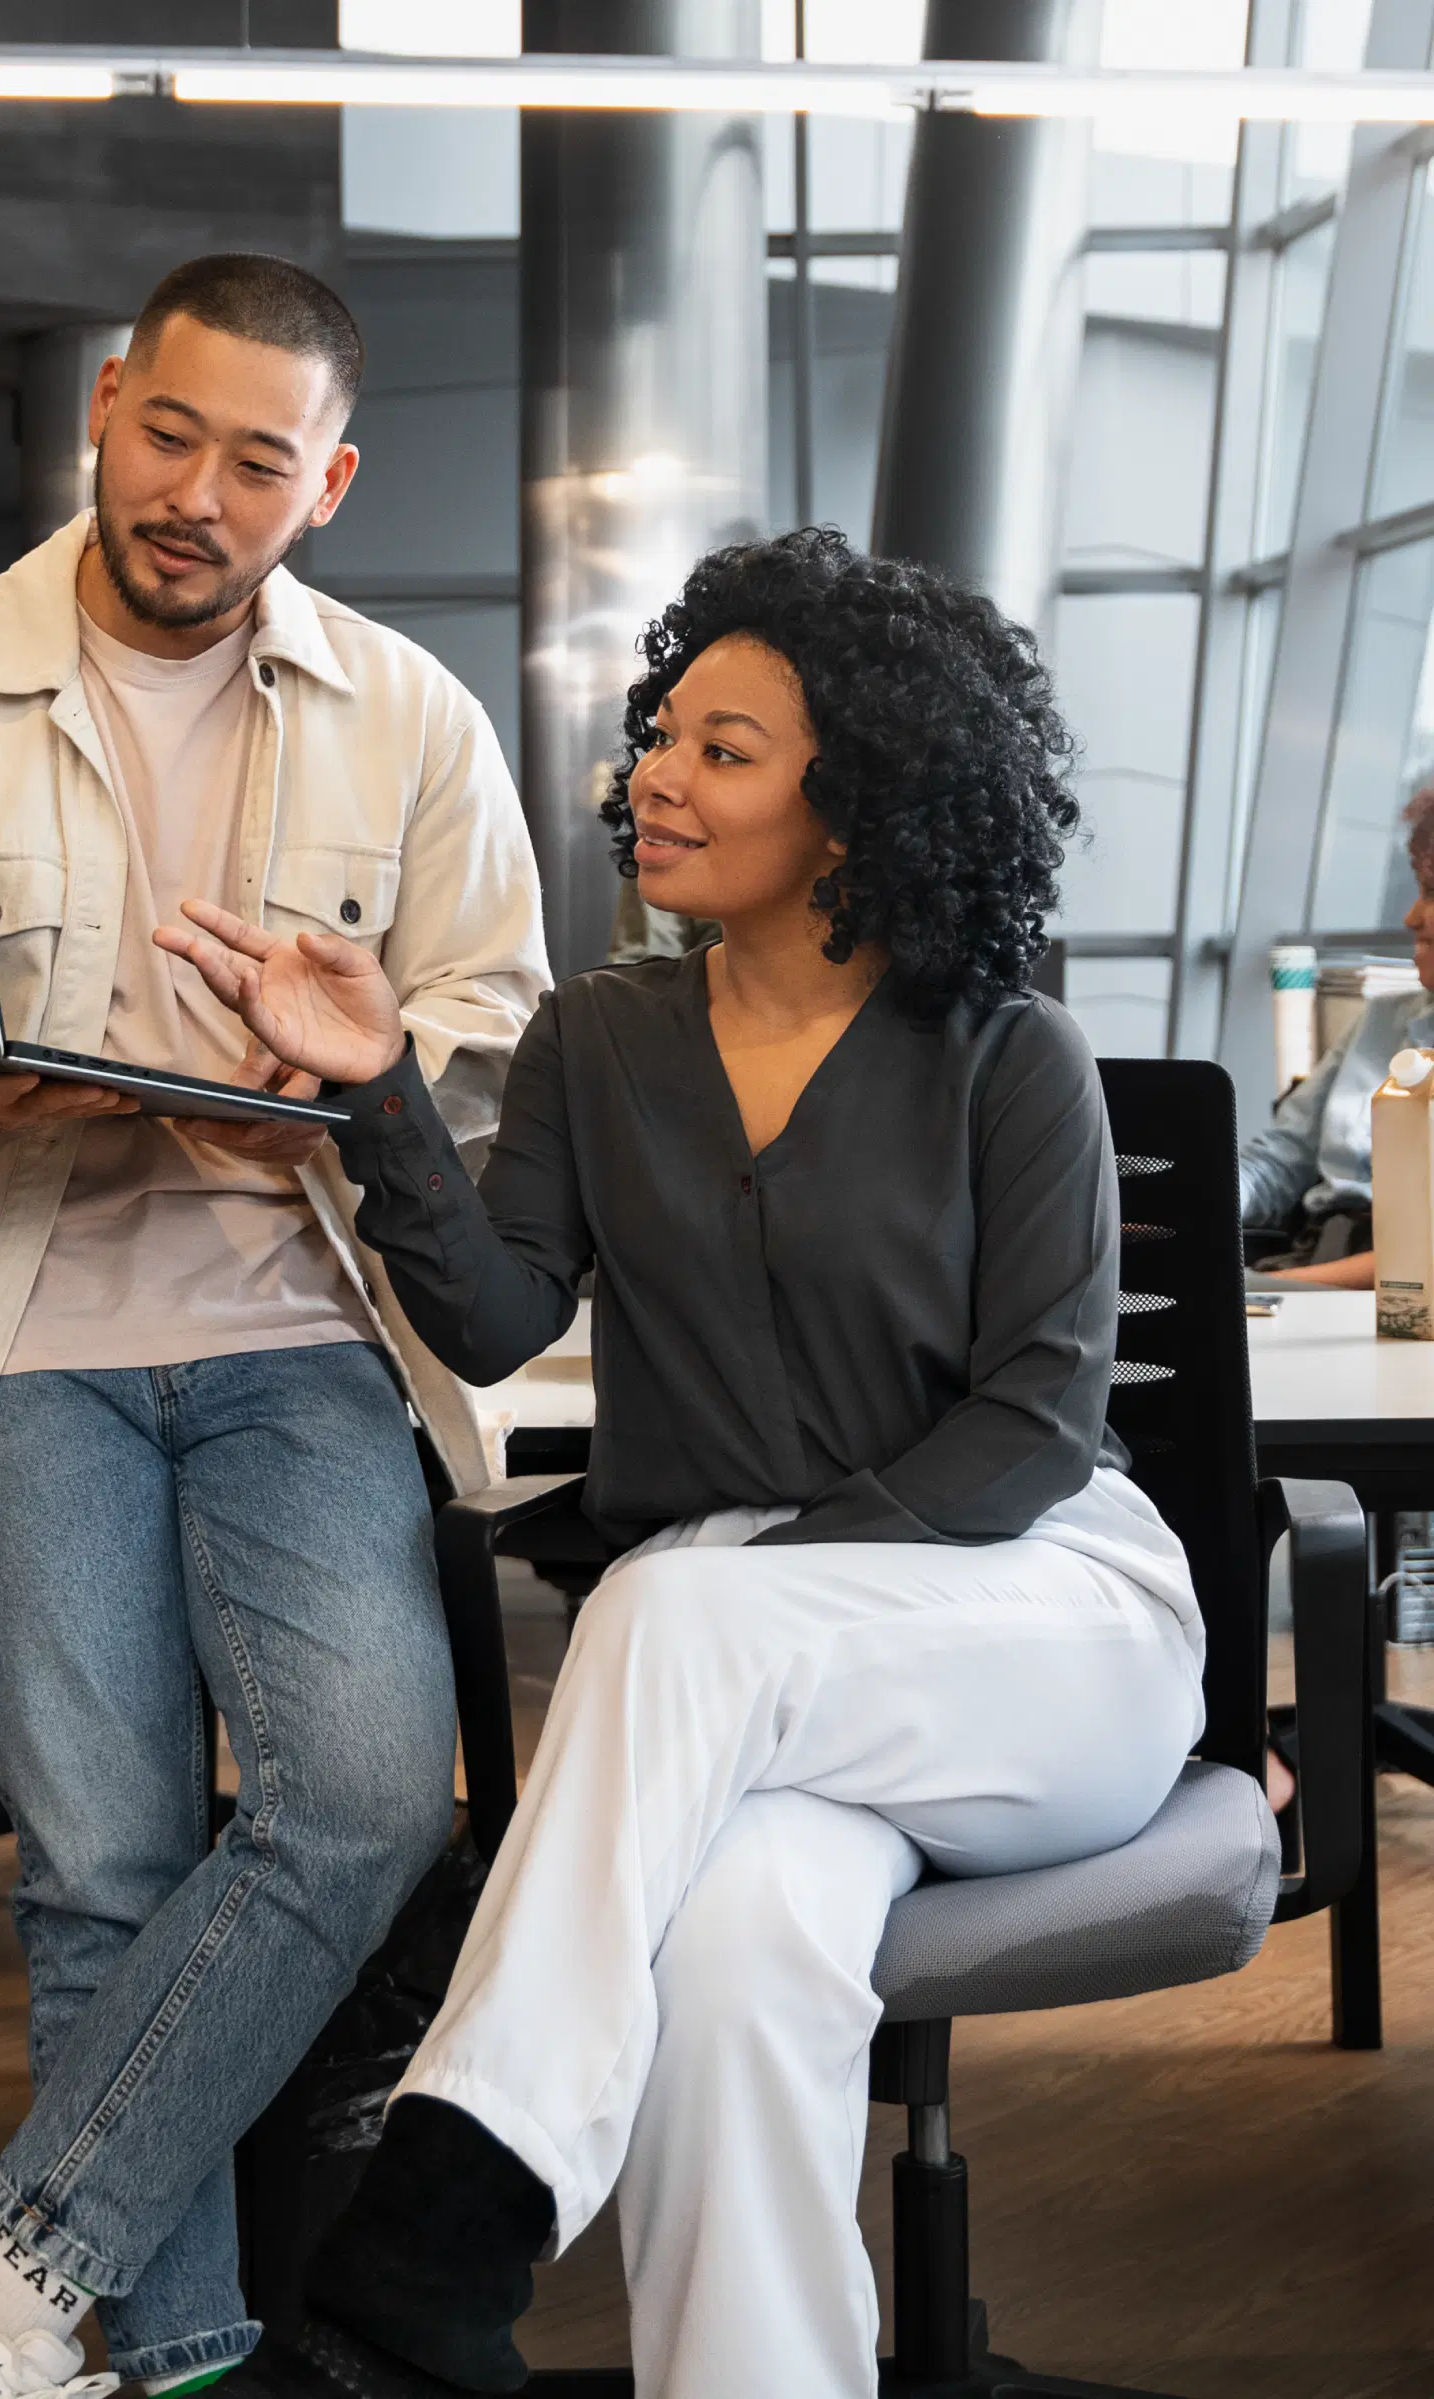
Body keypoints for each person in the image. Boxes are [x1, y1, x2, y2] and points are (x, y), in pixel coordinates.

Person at [159, 529, 1209, 2399]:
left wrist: (761, 1580)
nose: (656, 771)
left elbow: (1038, 1422)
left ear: (857, 797)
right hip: (754, 1680)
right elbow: (491, 1316)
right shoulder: (598, 1035)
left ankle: (435, 2235)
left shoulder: (1007, 1049)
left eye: (726, 747)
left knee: (670, 1603)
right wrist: (377, 1083)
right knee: (731, 1963)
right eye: (664, 731)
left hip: (1041, 1624)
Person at [0, 253, 547, 2399]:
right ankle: (160, 2360)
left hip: (298, 1329)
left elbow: (498, 1021)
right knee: (106, 1866)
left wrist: (365, 1060)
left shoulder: (410, 715)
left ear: (331, 479)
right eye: (169, 433)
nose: (198, 491)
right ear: (109, 406)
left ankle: (14, 2269)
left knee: (367, 1803)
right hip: (23, 1343)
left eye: (259, 460)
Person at [1240, 788, 1434, 1288]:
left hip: (1388, 1289)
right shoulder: (1383, 1020)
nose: (1412, 916)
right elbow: (1279, 1162)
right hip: (1309, 1258)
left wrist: (1263, 1291)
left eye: (1431, 892)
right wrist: (1184, 1204)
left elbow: (1419, 1262)